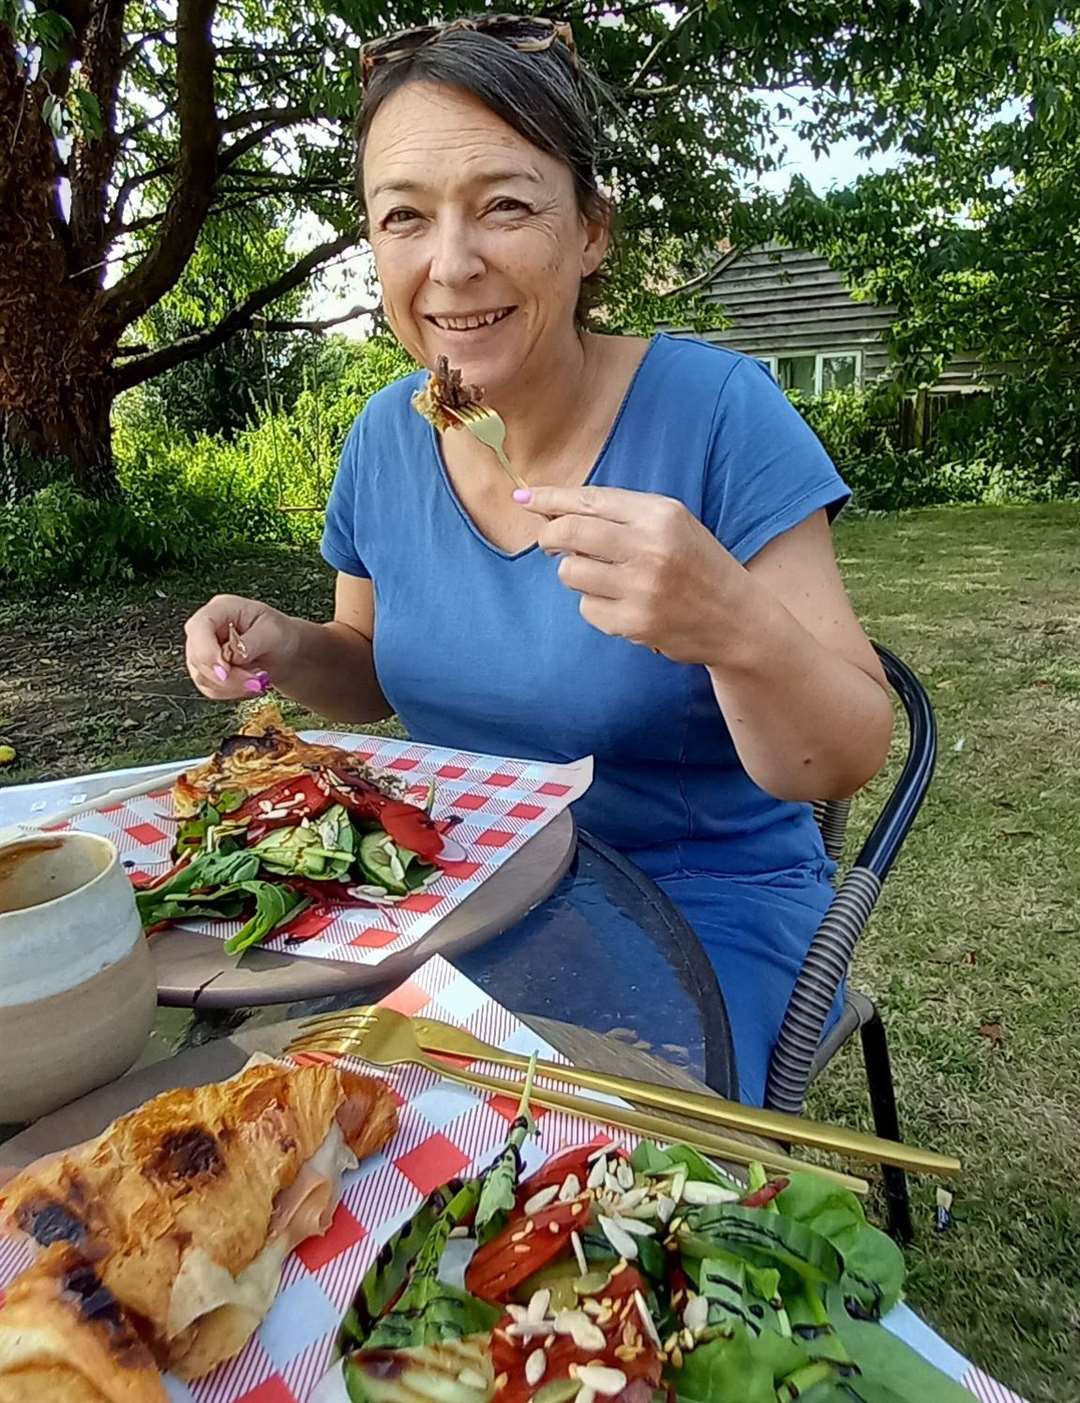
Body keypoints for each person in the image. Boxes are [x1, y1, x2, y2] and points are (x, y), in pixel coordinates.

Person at [184, 15, 894, 1105]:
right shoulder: (384, 435)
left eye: (505, 205)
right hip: (459, 891)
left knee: (549, 1161)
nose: (452, 264)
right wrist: (288, 648)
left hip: (703, 902)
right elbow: (371, 671)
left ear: (592, 229)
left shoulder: (716, 416)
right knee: (291, 1126)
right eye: (404, 218)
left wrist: (729, 623)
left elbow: (841, 755)